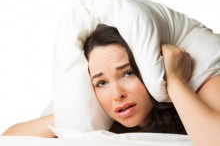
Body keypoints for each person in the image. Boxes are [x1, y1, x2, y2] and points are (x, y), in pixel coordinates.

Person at [3, 23, 220, 145]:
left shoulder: (188, 104)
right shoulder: (97, 124)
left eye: (127, 73)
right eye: (102, 83)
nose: (117, 94)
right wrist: (76, 113)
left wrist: (174, 79)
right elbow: (10, 140)